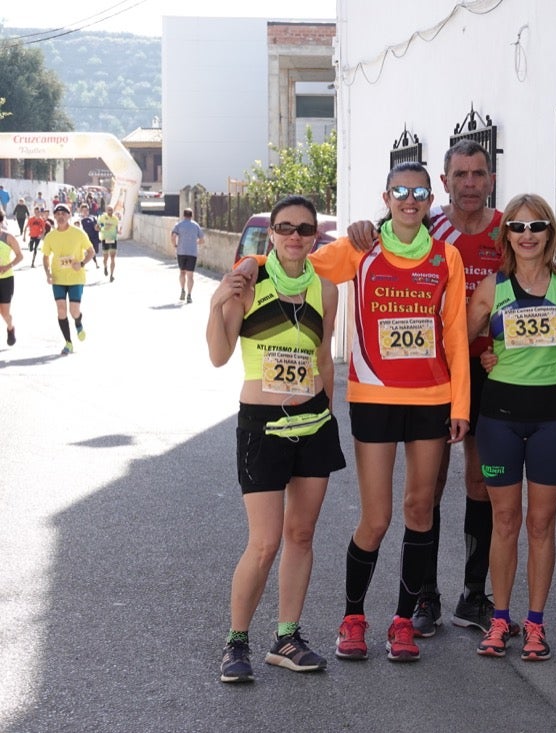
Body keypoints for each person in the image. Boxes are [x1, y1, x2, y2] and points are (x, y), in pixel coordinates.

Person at [310, 162, 470, 663]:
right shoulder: (362, 248)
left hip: (431, 396)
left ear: (430, 200)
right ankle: (353, 618)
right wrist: (253, 266)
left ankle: (403, 621)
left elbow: (455, 335)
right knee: (376, 517)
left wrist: (460, 404)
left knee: (420, 510)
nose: (409, 199)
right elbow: (301, 265)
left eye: (419, 192)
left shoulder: (446, 257)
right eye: (400, 191)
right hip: (374, 396)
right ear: (386, 197)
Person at [346, 140, 505, 637]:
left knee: (480, 482)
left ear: (491, 179)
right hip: (433, 370)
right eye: (461, 175)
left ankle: (473, 594)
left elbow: (537, 274)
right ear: (445, 182)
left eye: (479, 173)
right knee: (427, 489)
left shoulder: (509, 230)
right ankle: (424, 596)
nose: (470, 183)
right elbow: (372, 241)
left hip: (493, 366)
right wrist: (360, 229)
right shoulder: (428, 228)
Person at [206, 194, 346, 684]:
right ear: (272, 234)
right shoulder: (248, 284)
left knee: (301, 535)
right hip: (262, 427)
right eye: (285, 227)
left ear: (315, 237)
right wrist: (217, 302)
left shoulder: (326, 291)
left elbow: (323, 359)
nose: (294, 236)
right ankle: (236, 642)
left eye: (304, 229)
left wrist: (329, 416)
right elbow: (219, 355)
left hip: (313, 423)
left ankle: (287, 638)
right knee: (264, 542)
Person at [465, 193, 556, 662]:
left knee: (541, 523)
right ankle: (500, 620)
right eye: (517, 227)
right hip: (498, 419)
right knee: (504, 521)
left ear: (549, 232)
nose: (527, 235)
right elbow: (459, 340)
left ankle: (536, 624)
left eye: (536, 226)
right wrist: (484, 353)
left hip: (550, 419)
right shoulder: (491, 287)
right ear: (507, 235)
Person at [41, 203, 95, 355]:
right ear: (54, 216)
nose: (60, 217)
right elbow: (45, 257)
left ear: (69, 215)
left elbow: (91, 251)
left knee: (74, 311)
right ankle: (68, 343)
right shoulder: (50, 236)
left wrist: (82, 263)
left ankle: (78, 323)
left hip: (76, 278)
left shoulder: (79, 233)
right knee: (61, 310)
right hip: (58, 278)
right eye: (57, 214)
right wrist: (48, 273)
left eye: (63, 214)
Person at [0, 210, 25, 346]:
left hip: (5, 279)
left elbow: (20, 256)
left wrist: (7, 266)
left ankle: (10, 327)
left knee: (5, 313)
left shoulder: (8, 237)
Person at [171, 208, 205, 303]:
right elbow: (202, 240)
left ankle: (182, 290)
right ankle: (189, 295)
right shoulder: (196, 226)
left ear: (184, 215)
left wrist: (175, 245)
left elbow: (173, 236)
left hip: (181, 252)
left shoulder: (179, 225)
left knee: (182, 272)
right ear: (191, 215)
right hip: (192, 253)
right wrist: (195, 242)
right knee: (190, 275)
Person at [97, 205, 120, 282]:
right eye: (109, 210)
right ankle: (105, 267)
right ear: (106, 210)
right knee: (105, 257)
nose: (110, 211)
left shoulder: (115, 219)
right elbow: (97, 227)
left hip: (113, 239)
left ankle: (111, 275)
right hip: (105, 239)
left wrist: (118, 232)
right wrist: (103, 228)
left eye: (112, 210)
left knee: (113, 257)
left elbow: (117, 228)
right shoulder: (102, 218)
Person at [77, 203, 101, 270]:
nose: (85, 212)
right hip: (84, 238)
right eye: (83, 210)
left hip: (93, 237)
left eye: (86, 210)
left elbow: (97, 227)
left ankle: (92, 262)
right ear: (81, 211)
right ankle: (84, 264)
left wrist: (98, 228)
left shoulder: (92, 218)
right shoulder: (79, 219)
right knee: (87, 251)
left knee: (95, 251)